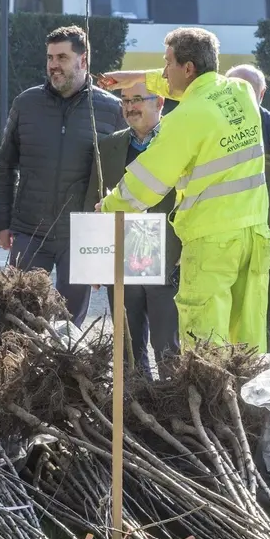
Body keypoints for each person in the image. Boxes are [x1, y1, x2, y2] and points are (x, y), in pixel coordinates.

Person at [97, 28, 270, 354]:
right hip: (254, 234)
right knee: (247, 341)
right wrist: (137, 78)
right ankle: (249, 400)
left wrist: (108, 207)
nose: (164, 71)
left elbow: (145, 185)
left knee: (206, 341)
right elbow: (190, 87)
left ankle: (212, 405)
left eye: (167, 63)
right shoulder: (241, 91)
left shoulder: (184, 120)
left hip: (212, 243)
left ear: (188, 68)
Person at [0, 26, 125, 326]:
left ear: (83, 61)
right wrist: (3, 223)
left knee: (69, 324)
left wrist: (104, 244)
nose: (53, 64)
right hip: (29, 229)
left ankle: (64, 373)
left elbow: (119, 180)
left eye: (62, 57)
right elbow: (5, 166)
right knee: (19, 317)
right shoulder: (26, 104)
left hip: (80, 234)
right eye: (50, 57)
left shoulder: (110, 109)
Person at [85, 83, 180, 377]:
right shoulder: (108, 146)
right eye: (124, 101)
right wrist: (95, 263)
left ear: (160, 103)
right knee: (128, 345)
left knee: (168, 346)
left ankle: (172, 407)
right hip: (123, 259)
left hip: (168, 257)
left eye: (138, 99)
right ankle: (134, 406)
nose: (129, 107)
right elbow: (95, 201)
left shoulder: (180, 142)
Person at [225, 64, 270, 354]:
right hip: (218, 241)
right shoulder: (208, 124)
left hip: (266, 244)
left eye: (246, 90)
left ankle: (265, 390)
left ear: (261, 94)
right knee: (219, 320)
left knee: (263, 321)